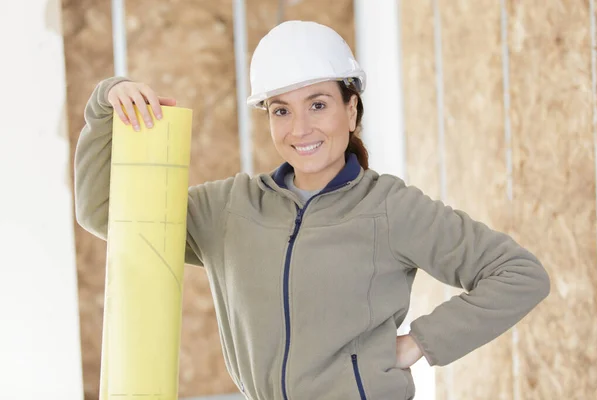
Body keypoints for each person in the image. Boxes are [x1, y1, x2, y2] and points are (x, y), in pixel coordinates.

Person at [74, 20, 550, 400]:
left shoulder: (391, 208)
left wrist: (416, 345)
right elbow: (104, 213)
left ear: (352, 109)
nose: (300, 128)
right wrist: (104, 106)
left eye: (318, 104)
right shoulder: (228, 209)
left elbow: (519, 274)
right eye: (281, 110)